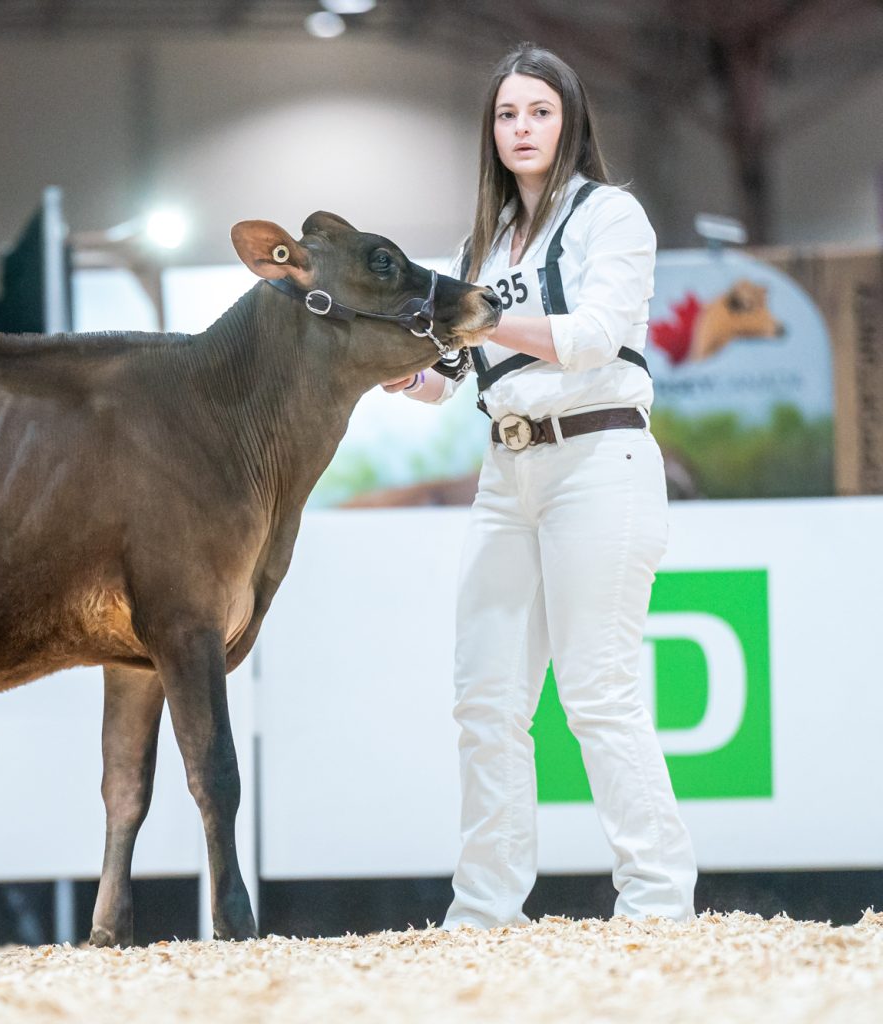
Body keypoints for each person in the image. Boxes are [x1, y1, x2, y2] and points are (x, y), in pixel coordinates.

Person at [384, 42, 696, 928]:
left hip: (598, 459)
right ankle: (484, 913)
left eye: (540, 111)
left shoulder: (610, 216)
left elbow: (595, 336)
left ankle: (658, 903)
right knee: (484, 700)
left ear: (570, 122)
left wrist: (477, 316)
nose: (522, 128)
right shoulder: (479, 244)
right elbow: (450, 376)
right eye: (507, 114)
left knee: (598, 692)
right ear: (491, 131)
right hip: (505, 470)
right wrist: (397, 372)